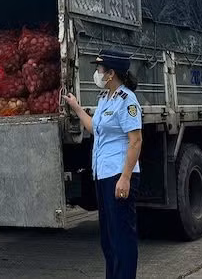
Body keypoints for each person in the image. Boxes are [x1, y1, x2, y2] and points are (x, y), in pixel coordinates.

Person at [64, 50, 143, 279]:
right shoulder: (105, 98)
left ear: (111, 73)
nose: (97, 73)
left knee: (122, 237)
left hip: (119, 175)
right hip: (104, 175)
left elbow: (136, 141)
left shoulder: (127, 101)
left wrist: (126, 178)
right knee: (108, 239)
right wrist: (77, 108)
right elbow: (96, 129)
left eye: (100, 69)